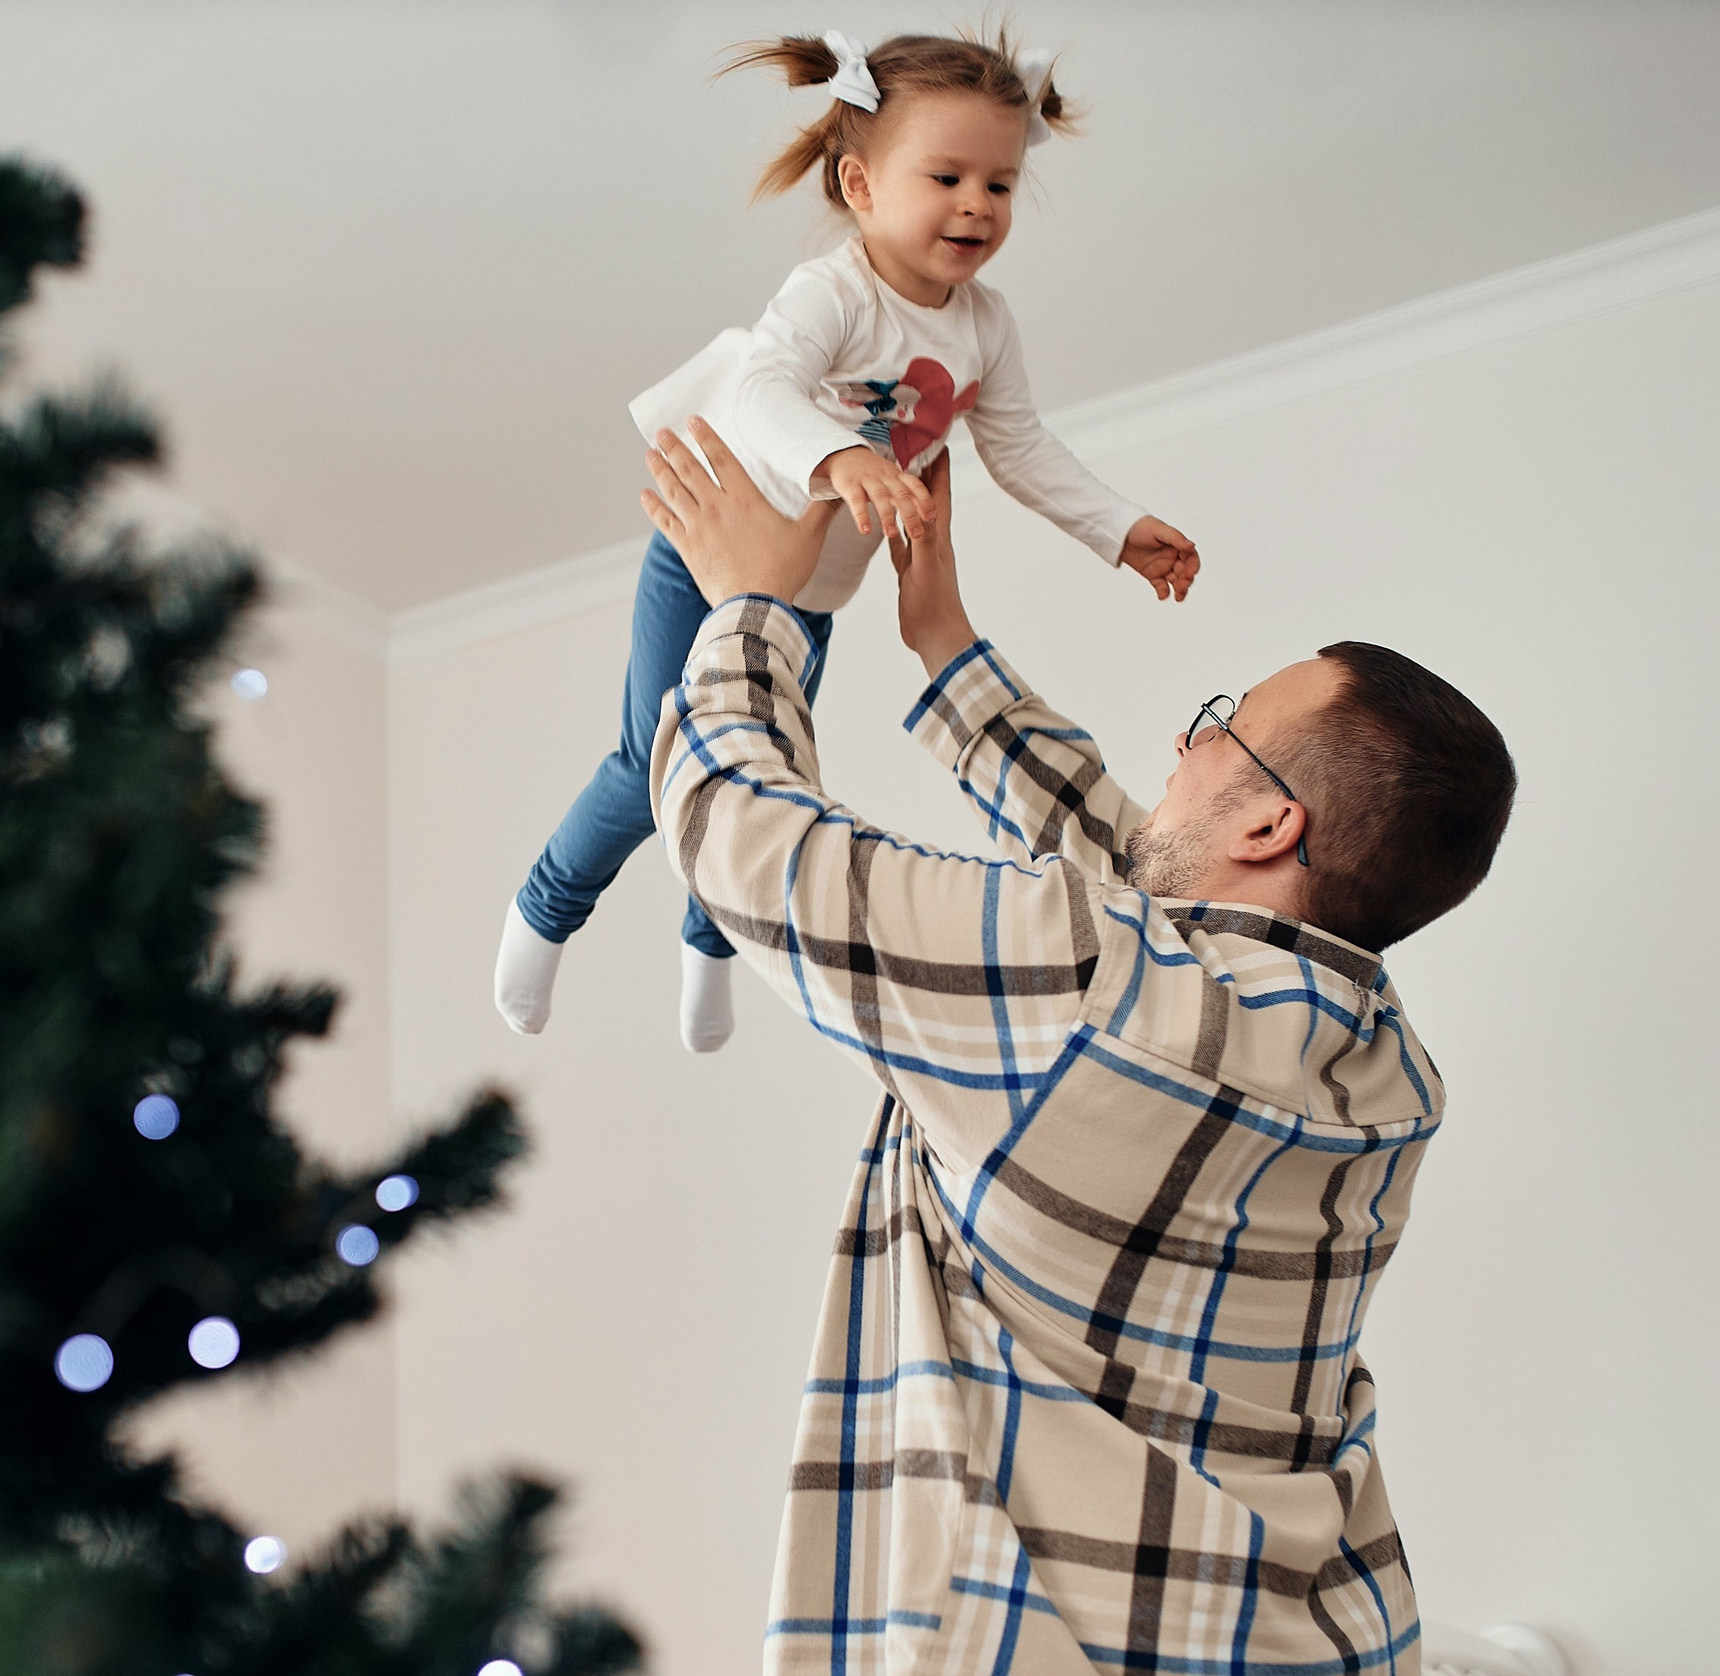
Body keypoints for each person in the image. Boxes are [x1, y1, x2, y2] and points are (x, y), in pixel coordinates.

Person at [639, 417, 1514, 1676]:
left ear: (1271, 821)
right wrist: (943, 643)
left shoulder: (1089, 982)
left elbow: (740, 836)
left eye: (1222, 724)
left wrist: (749, 608)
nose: (1185, 741)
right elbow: (1146, 879)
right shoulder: (1388, 1078)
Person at [497, 30, 1200, 1053]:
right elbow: (761, 388)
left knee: (761, 774)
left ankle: (708, 952)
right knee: (650, 759)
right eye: (947, 178)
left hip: (812, 598)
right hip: (711, 555)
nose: (977, 205)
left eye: (1000, 184)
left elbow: (1019, 446)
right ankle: (543, 911)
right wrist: (839, 460)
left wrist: (1118, 527)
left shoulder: (986, 324)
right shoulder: (835, 293)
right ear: (860, 185)